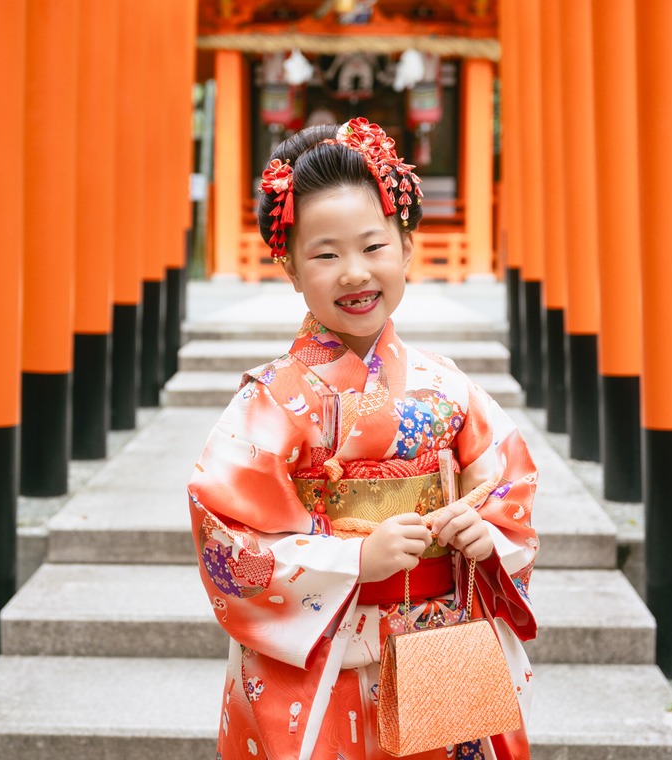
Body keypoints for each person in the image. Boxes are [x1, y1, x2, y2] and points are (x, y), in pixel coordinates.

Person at [188, 118, 539, 759]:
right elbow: (226, 530)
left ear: (406, 249)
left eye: (373, 246)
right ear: (290, 268)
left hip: (439, 636)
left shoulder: (447, 386)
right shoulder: (271, 400)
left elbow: (508, 481)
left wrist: (484, 533)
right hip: (322, 651)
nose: (354, 272)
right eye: (325, 255)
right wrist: (353, 560)